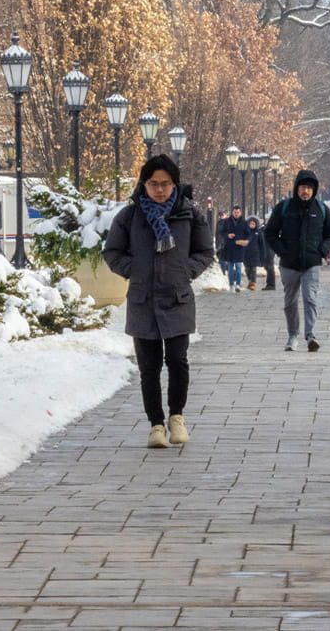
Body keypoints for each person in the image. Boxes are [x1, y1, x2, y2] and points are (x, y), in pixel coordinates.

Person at [103, 154, 215, 448]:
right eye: (154, 184)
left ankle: (176, 417)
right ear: (144, 183)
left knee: (178, 361)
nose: (160, 189)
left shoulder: (189, 214)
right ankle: (155, 424)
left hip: (177, 298)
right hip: (143, 300)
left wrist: (185, 271)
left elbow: (205, 252)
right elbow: (112, 252)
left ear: (174, 184)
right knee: (148, 367)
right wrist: (134, 270)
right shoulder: (130, 216)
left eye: (165, 183)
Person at [264, 169, 330, 351]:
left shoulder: (321, 209)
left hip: (312, 263)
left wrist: (322, 250)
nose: (306, 191)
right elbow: (270, 233)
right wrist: (282, 251)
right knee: (290, 301)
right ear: (297, 188)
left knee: (310, 298)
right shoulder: (284, 208)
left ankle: (310, 335)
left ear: (314, 190)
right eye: (303, 187)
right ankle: (292, 335)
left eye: (309, 188)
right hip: (289, 264)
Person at [222, 205, 250, 292]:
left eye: (238, 212)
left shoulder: (244, 222)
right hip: (229, 247)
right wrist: (227, 235)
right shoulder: (227, 221)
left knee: (238, 266)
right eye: (235, 212)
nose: (236, 214)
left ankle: (238, 284)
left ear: (240, 213)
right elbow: (222, 232)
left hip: (239, 247)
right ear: (232, 212)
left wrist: (246, 240)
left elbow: (248, 233)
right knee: (230, 267)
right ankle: (231, 284)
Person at [243, 215, 264, 290]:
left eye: (253, 224)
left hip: (255, 253)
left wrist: (262, 253)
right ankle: (250, 280)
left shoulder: (258, 232)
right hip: (246, 253)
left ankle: (253, 283)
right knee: (247, 268)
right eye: (250, 223)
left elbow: (261, 243)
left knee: (253, 268)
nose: (252, 225)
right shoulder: (245, 232)